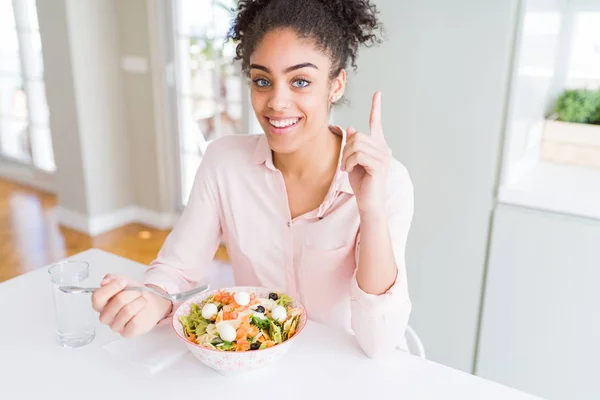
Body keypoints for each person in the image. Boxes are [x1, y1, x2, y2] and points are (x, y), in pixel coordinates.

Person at [91, 0, 414, 359]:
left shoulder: (387, 182)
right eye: (262, 80)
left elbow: (379, 342)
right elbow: (177, 271)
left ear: (336, 85)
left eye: (301, 81)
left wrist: (370, 210)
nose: (276, 101)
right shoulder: (224, 163)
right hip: (258, 367)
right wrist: (149, 301)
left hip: (349, 372)